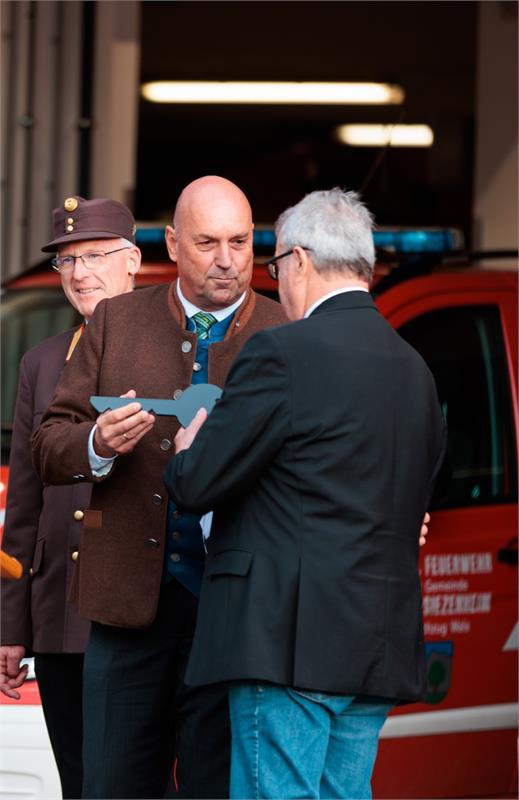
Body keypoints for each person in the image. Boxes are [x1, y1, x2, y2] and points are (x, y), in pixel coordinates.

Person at [164, 187, 447, 800]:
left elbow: (197, 484)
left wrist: (190, 446)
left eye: (275, 267)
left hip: (287, 643)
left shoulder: (283, 352)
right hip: (375, 644)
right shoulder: (415, 371)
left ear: (299, 261)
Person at [31, 176, 288, 800]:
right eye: (207, 242)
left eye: (240, 241)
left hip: (237, 617)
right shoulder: (118, 321)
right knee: (113, 786)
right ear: (172, 243)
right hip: (125, 611)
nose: (227, 259)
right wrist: (97, 444)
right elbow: (49, 442)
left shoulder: (286, 331)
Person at [0, 196, 141, 799]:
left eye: (96, 256)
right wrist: (11, 625)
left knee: (140, 781)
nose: (80, 273)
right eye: (67, 261)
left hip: (139, 610)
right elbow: (25, 503)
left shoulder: (177, 347)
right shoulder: (41, 361)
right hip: (59, 611)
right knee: (79, 783)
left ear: (133, 260)